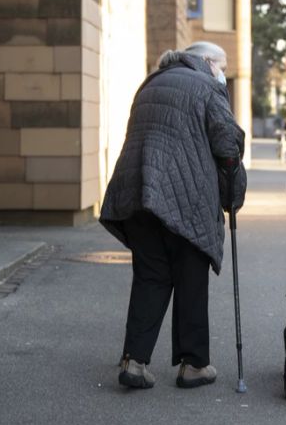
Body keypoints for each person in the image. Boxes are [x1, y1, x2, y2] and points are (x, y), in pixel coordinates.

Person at [100, 41, 247, 391]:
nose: (223, 74)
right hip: (187, 193)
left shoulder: (151, 83)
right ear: (207, 62)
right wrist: (232, 195)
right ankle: (193, 364)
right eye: (222, 66)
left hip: (138, 191)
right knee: (191, 277)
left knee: (151, 275)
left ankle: (134, 362)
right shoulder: (207, 86)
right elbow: (227, 144)